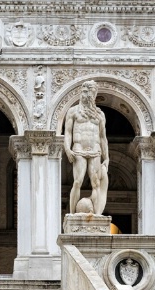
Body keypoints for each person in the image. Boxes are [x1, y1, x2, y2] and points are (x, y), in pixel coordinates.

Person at [63, 80, 109, 215]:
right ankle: (72, 214)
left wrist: (107, 157)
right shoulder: (73, 111)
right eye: (84, 92)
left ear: (94, 94)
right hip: (78, 150)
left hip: (95, 150)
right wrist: (67, 149)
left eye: (89, 92)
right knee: (77, 181)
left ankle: (97, 214)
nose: (86, 95)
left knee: (96, 184)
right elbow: (68, 132)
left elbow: (102, 137)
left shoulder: (100, 114)